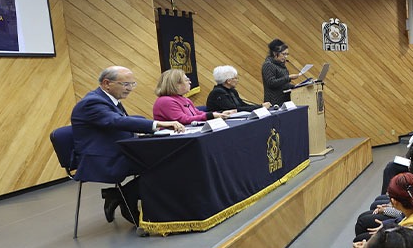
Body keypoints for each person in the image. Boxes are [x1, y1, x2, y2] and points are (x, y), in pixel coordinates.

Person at [71, 66, 185, 224]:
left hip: (120, 151)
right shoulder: (92, 102)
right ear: (107, 83)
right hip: (101, 159)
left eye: (132, 84)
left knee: (168, 159)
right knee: (163, 163)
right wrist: (160, 124)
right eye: (126, 84)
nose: (130, 89)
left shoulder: (109, 99)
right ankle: (127, 197)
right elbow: (117, 121)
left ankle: (121, 195)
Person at [153, 69, 233, 124]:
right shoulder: (165, 101)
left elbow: (197, 113)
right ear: (176, 84)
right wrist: (210, 116)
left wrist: (219, 114)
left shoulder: (184, 99)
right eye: (186, 80)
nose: (190, 82)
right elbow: (183, 120)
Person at [206, 65, 271, 113]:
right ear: (228, 81)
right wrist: (260, 107)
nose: (237, 81)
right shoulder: (218, 93)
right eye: (235, 78)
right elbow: (234, 110)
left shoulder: (232, 91)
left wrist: (260, 107)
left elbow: (242, 105)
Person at [261, 38, 299, 105]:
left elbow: (283, 84)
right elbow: (271, 83)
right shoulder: (268, 65)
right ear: (275, 53)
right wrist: (288, 77)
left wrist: (296, 87)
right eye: (284, 54)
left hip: (285, 100)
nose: (286, 56)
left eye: (287, 54)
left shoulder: (281, 64)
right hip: (274, 102)